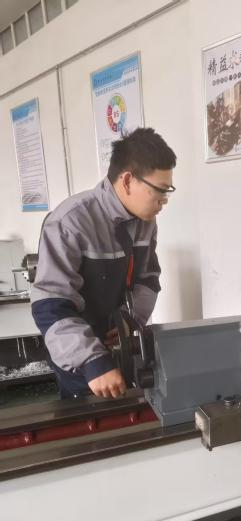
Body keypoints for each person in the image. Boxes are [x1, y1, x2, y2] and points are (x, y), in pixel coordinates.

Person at [31, 128, 177, 399]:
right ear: (128, 180)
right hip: (77, 353)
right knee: (87, 420)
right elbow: (50, 304)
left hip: (119, 341)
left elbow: (148, 279)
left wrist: (129, 321)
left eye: (168, 190)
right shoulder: (69, 222)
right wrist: (91, 360)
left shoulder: (145, 222)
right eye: (159, 190)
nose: (164, 200)